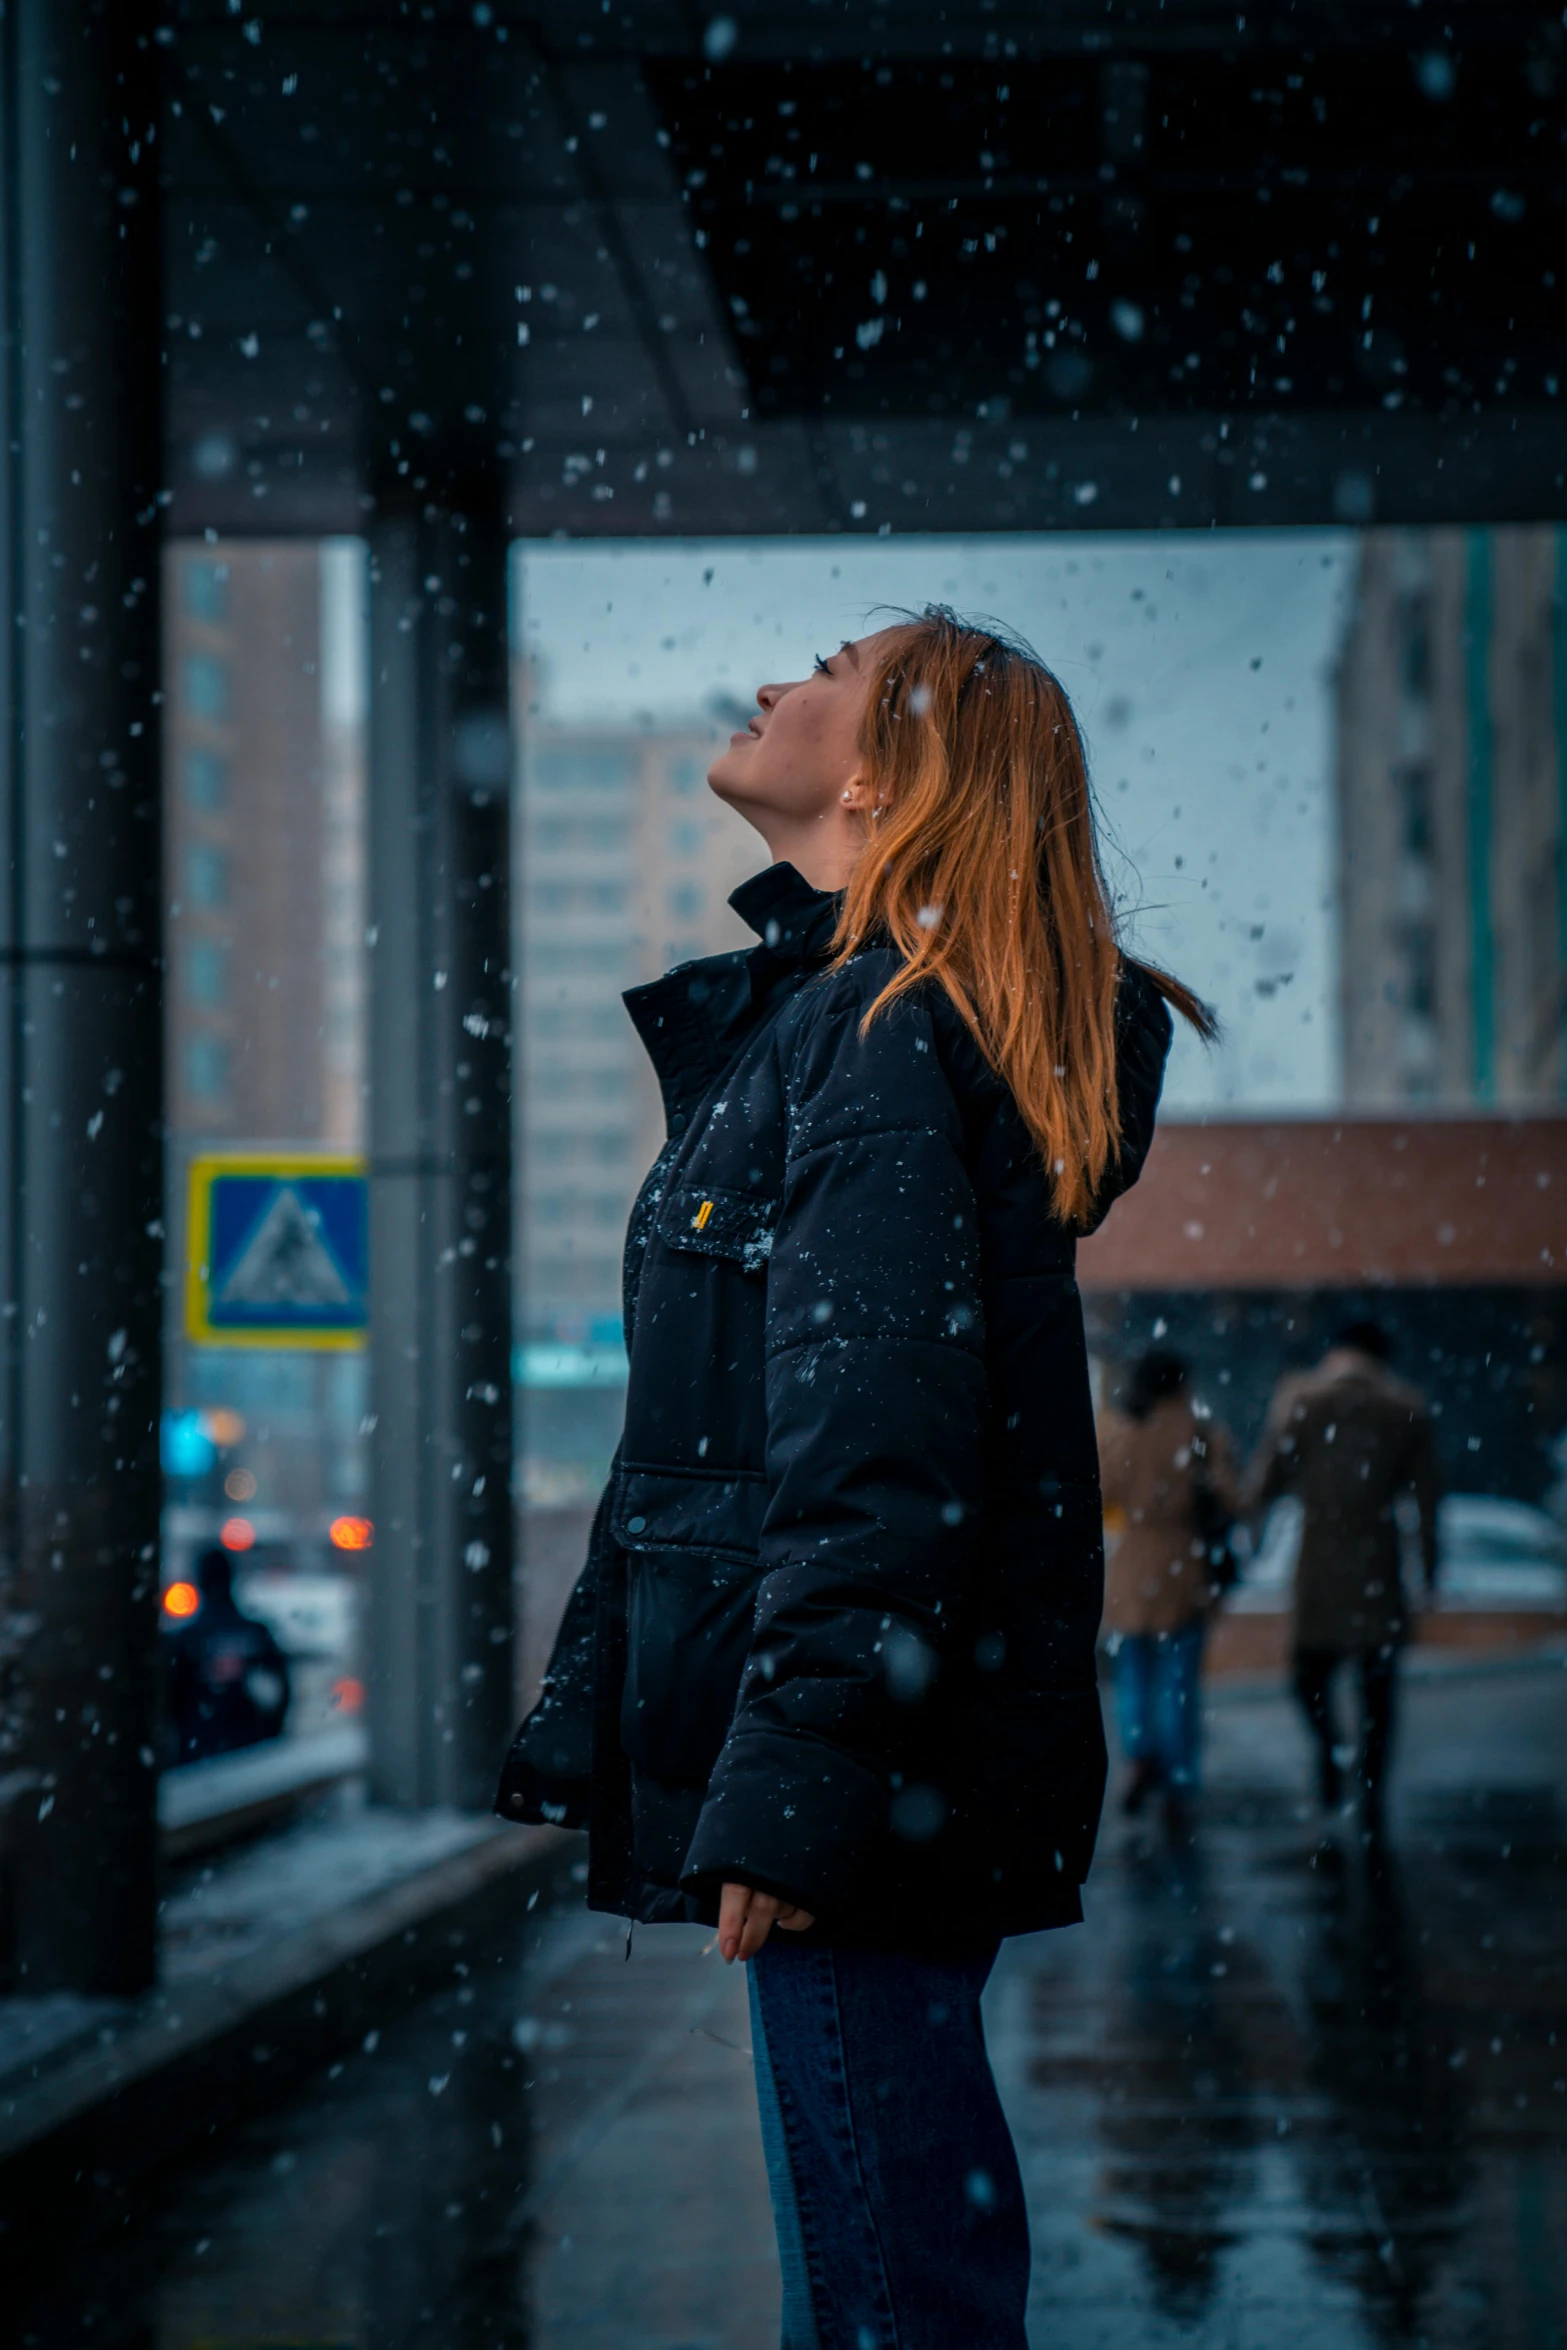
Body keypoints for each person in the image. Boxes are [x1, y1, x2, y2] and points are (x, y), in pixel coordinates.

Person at [497, 606, 1213, 2347]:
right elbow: (756, 1439)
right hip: (892, 1760)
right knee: (897, 2264)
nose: (765, 688)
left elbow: (869, 1444)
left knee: (892, 2291)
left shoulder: (874, 1035)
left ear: (890, 772)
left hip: (872, 1779)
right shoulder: (862, 1021)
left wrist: (802, 1772)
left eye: (821, 672)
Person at [1245, 1320, 1441, 1842]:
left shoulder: (1301, 1403)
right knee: (1378, 1690)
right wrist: (1429, 1567)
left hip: (1320, 1561)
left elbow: (1268, 1476)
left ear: (1334, 1352)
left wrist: (1250, 1532)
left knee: (1308, 1676)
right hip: (1378, 1561)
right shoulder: (1405, 1409)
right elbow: (1427, 1499)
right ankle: (1370, 1789)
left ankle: (1328, 1752)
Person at [1098, 1347, 1240, 1834]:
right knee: (1178, 1683)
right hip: (1185, 1566)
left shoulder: (1120, 1431)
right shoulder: (1199, 1434)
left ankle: (1140, 1757)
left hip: (1132, 1567)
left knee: (1133, 1674)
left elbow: (1101, 1491)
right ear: (1182, 1383)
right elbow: (1228, 1496)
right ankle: (1179, 1782)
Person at [163, 1545, 291, 1765]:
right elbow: (281, 1692)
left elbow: (171, 1699)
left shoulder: (188, 1638)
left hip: (200, 1750)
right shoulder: (255, 1634)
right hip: (252, 1750)